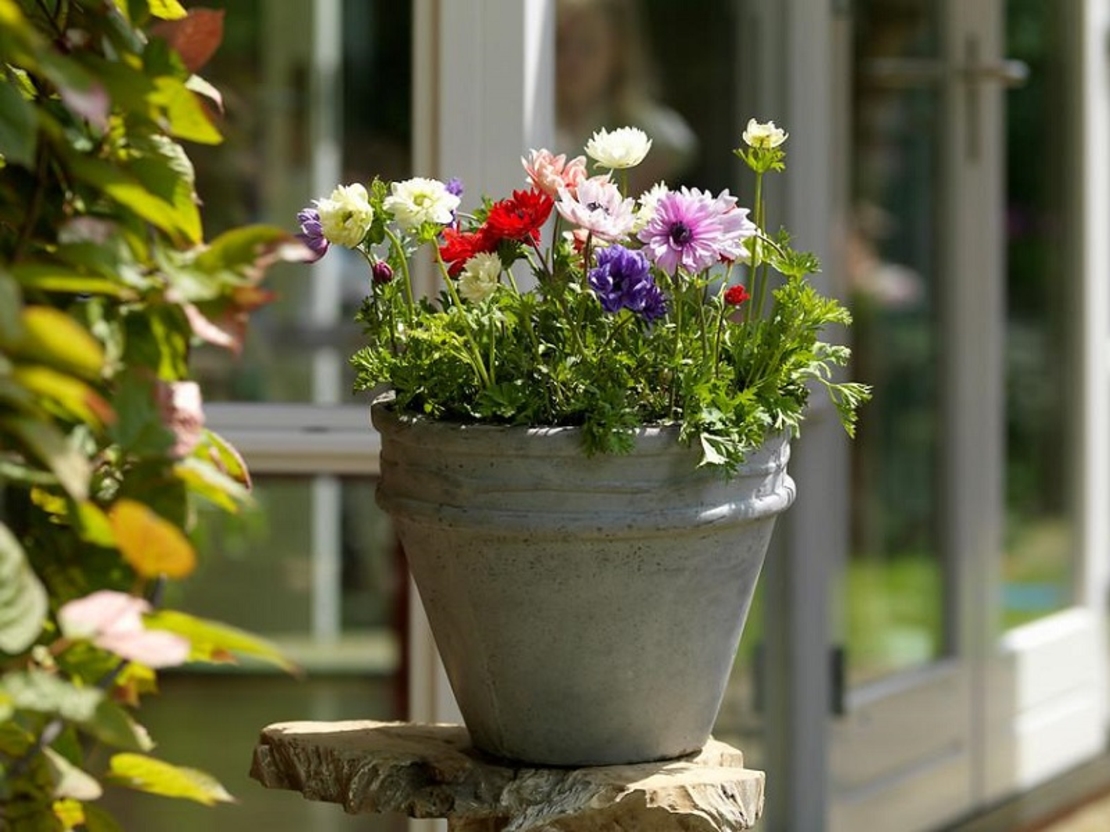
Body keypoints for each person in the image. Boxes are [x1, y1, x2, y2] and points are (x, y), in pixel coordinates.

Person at [556, 0, 698, 194]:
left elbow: (679, 142)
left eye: (587, 47)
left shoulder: (631, 120)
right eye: (561, 44)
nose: (571, 60)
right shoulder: (543, 125)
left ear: (618, 52)